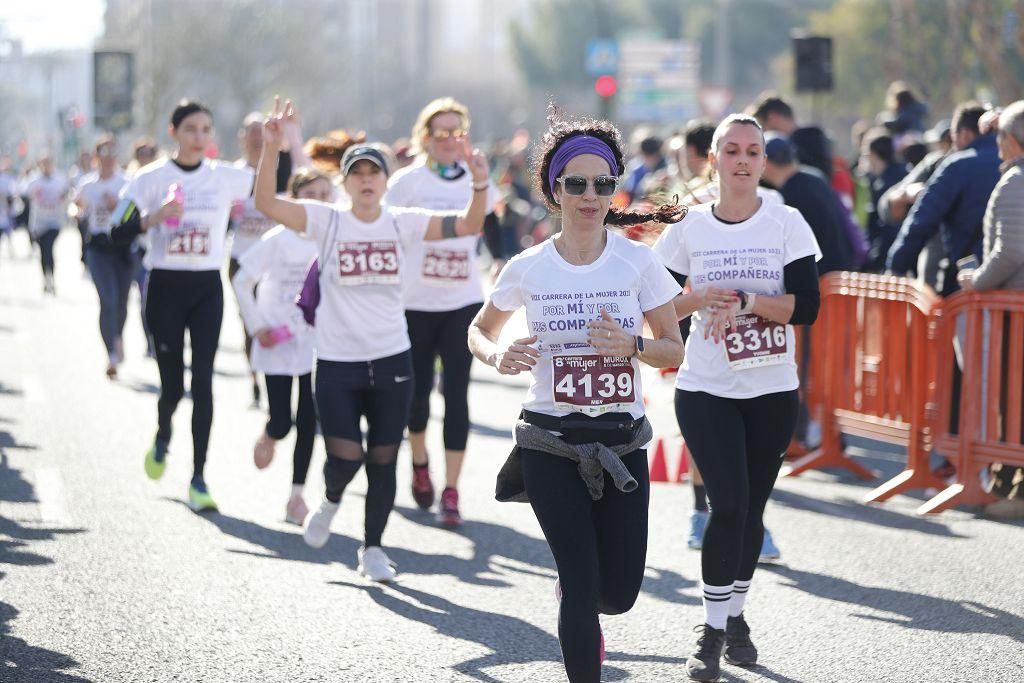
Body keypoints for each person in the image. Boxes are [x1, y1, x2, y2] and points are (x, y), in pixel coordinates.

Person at [468, 110, 684, 682]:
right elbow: (480, 330)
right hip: (549, 443)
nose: (591, 195)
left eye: (603, 184)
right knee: (584, 587)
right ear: (553, 190)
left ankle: (576, 588)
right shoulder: (529, 266)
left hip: (621, 444)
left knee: (618, 592)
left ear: (615, 189)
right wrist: (498, 356)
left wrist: (631, 344)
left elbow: (673, 349)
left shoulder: (639, 262)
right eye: (577, 184)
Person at [254, 98, 490, 581]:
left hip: (390, 358)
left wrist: (480, 180)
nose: (366, 180)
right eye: (357, 173)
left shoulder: (402, 221)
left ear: (385, 181)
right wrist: (272, 151)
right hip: (338, 362)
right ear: (345, 182)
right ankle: (332, 497)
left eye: (373, 173)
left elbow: (468, 224)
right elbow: (266, 204)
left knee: (384, 456)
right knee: (347, 455)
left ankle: (373, 549)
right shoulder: (326, 220)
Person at [652, 114, 821, 681]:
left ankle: (736, 616)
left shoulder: (786, 221)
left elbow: (809, 305)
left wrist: (748, 300)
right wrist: (698, 298)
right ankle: (711, 630)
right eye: (732, 150)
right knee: (725, 506)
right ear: (714, 159)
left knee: (751, 510)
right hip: (706, 386)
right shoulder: (689, 228)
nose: (743, 160)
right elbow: (654, 306)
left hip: (772, 388)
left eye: (754, 150)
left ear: (763, 159)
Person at [112, 100, 254, 512]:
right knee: (173, 386)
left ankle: (199, 477)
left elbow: (274, 183)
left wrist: (283, 144)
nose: (199, 136)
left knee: (204, 382)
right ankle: (162, 435)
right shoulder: (149, 177)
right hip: (166, 286)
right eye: (191, 128)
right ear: (173, 132)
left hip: (207, 286)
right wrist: (152, 219)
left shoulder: (224, 176)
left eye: (206, 129)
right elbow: (114, 232)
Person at [383, 97, 500, 526]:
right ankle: (418, 463)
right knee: (415, 399)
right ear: (425, 138)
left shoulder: (477, 176)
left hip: (462, 302)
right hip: (414, 303)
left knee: (456, 394)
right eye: (441, 133)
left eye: (456, 132)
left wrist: (501, 258)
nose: (450, 140)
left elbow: (490, 222)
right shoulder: (406, 182)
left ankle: (451, 490)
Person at [232, 167, 329, 524]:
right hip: (275, 340)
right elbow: (242, 281)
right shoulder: (277, 239)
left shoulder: (331, 238)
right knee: (283, 421)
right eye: (312, 195)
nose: (320, 202)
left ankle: (296, 496)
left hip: (315, 342)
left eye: (325, 195)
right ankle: (271, 432)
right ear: (295, 199)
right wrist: (258, 327)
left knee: (308, 418)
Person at [956, 100, 1024, 519]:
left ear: (1011, 141)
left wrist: (976, 280)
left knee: (1013, 399)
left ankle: (1012, 490)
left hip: (1013, 313)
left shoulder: (1015, 181)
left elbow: (1011, 249)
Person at [887, 102, 1001, 296]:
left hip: (966, 284)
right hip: (1013, 285)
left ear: (964, 134)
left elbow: (921, 221)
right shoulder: (1014, 165)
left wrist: (895, 268)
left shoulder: (957, 165)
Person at [228, 112, 296, 408]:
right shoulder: (232, 175)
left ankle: (282, 379)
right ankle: (256, 377)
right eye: (251, 133)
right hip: (243, 258)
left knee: (282, 317)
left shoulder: (280, 171)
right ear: (242, 139)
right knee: (250, 322)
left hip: (279, 262)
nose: (257, 138)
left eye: (260, 132)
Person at [74, 135, 130, 377]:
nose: (108, 160)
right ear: (96, 158)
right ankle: (111, 354)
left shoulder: (126, 183)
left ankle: (117, 335)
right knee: (107, 300)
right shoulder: (88, 184)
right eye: (103, 155)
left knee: (122, 302)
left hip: (124, 249)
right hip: (98, 248)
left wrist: (117, 206)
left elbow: (135, 214)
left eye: (112, 155)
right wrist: (76, 211)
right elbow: (77, 205)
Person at [859, 130, 908, 272]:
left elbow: (884, 230)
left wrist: (873, 262)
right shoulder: (906, 173)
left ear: (874, 155)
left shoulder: (882, 186)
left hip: (890, 260)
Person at [23, 155, 69, 294]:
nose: (46, 166)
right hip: (39, 223)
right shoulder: (34, 180)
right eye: (44, 163)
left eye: (49, 163)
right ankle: (45, 279)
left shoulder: (59, 179)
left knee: (49, 248)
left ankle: (52, 279)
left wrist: (63, 198)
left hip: (54, 222)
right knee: (43, 252)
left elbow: (68, 193)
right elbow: (23, 192)